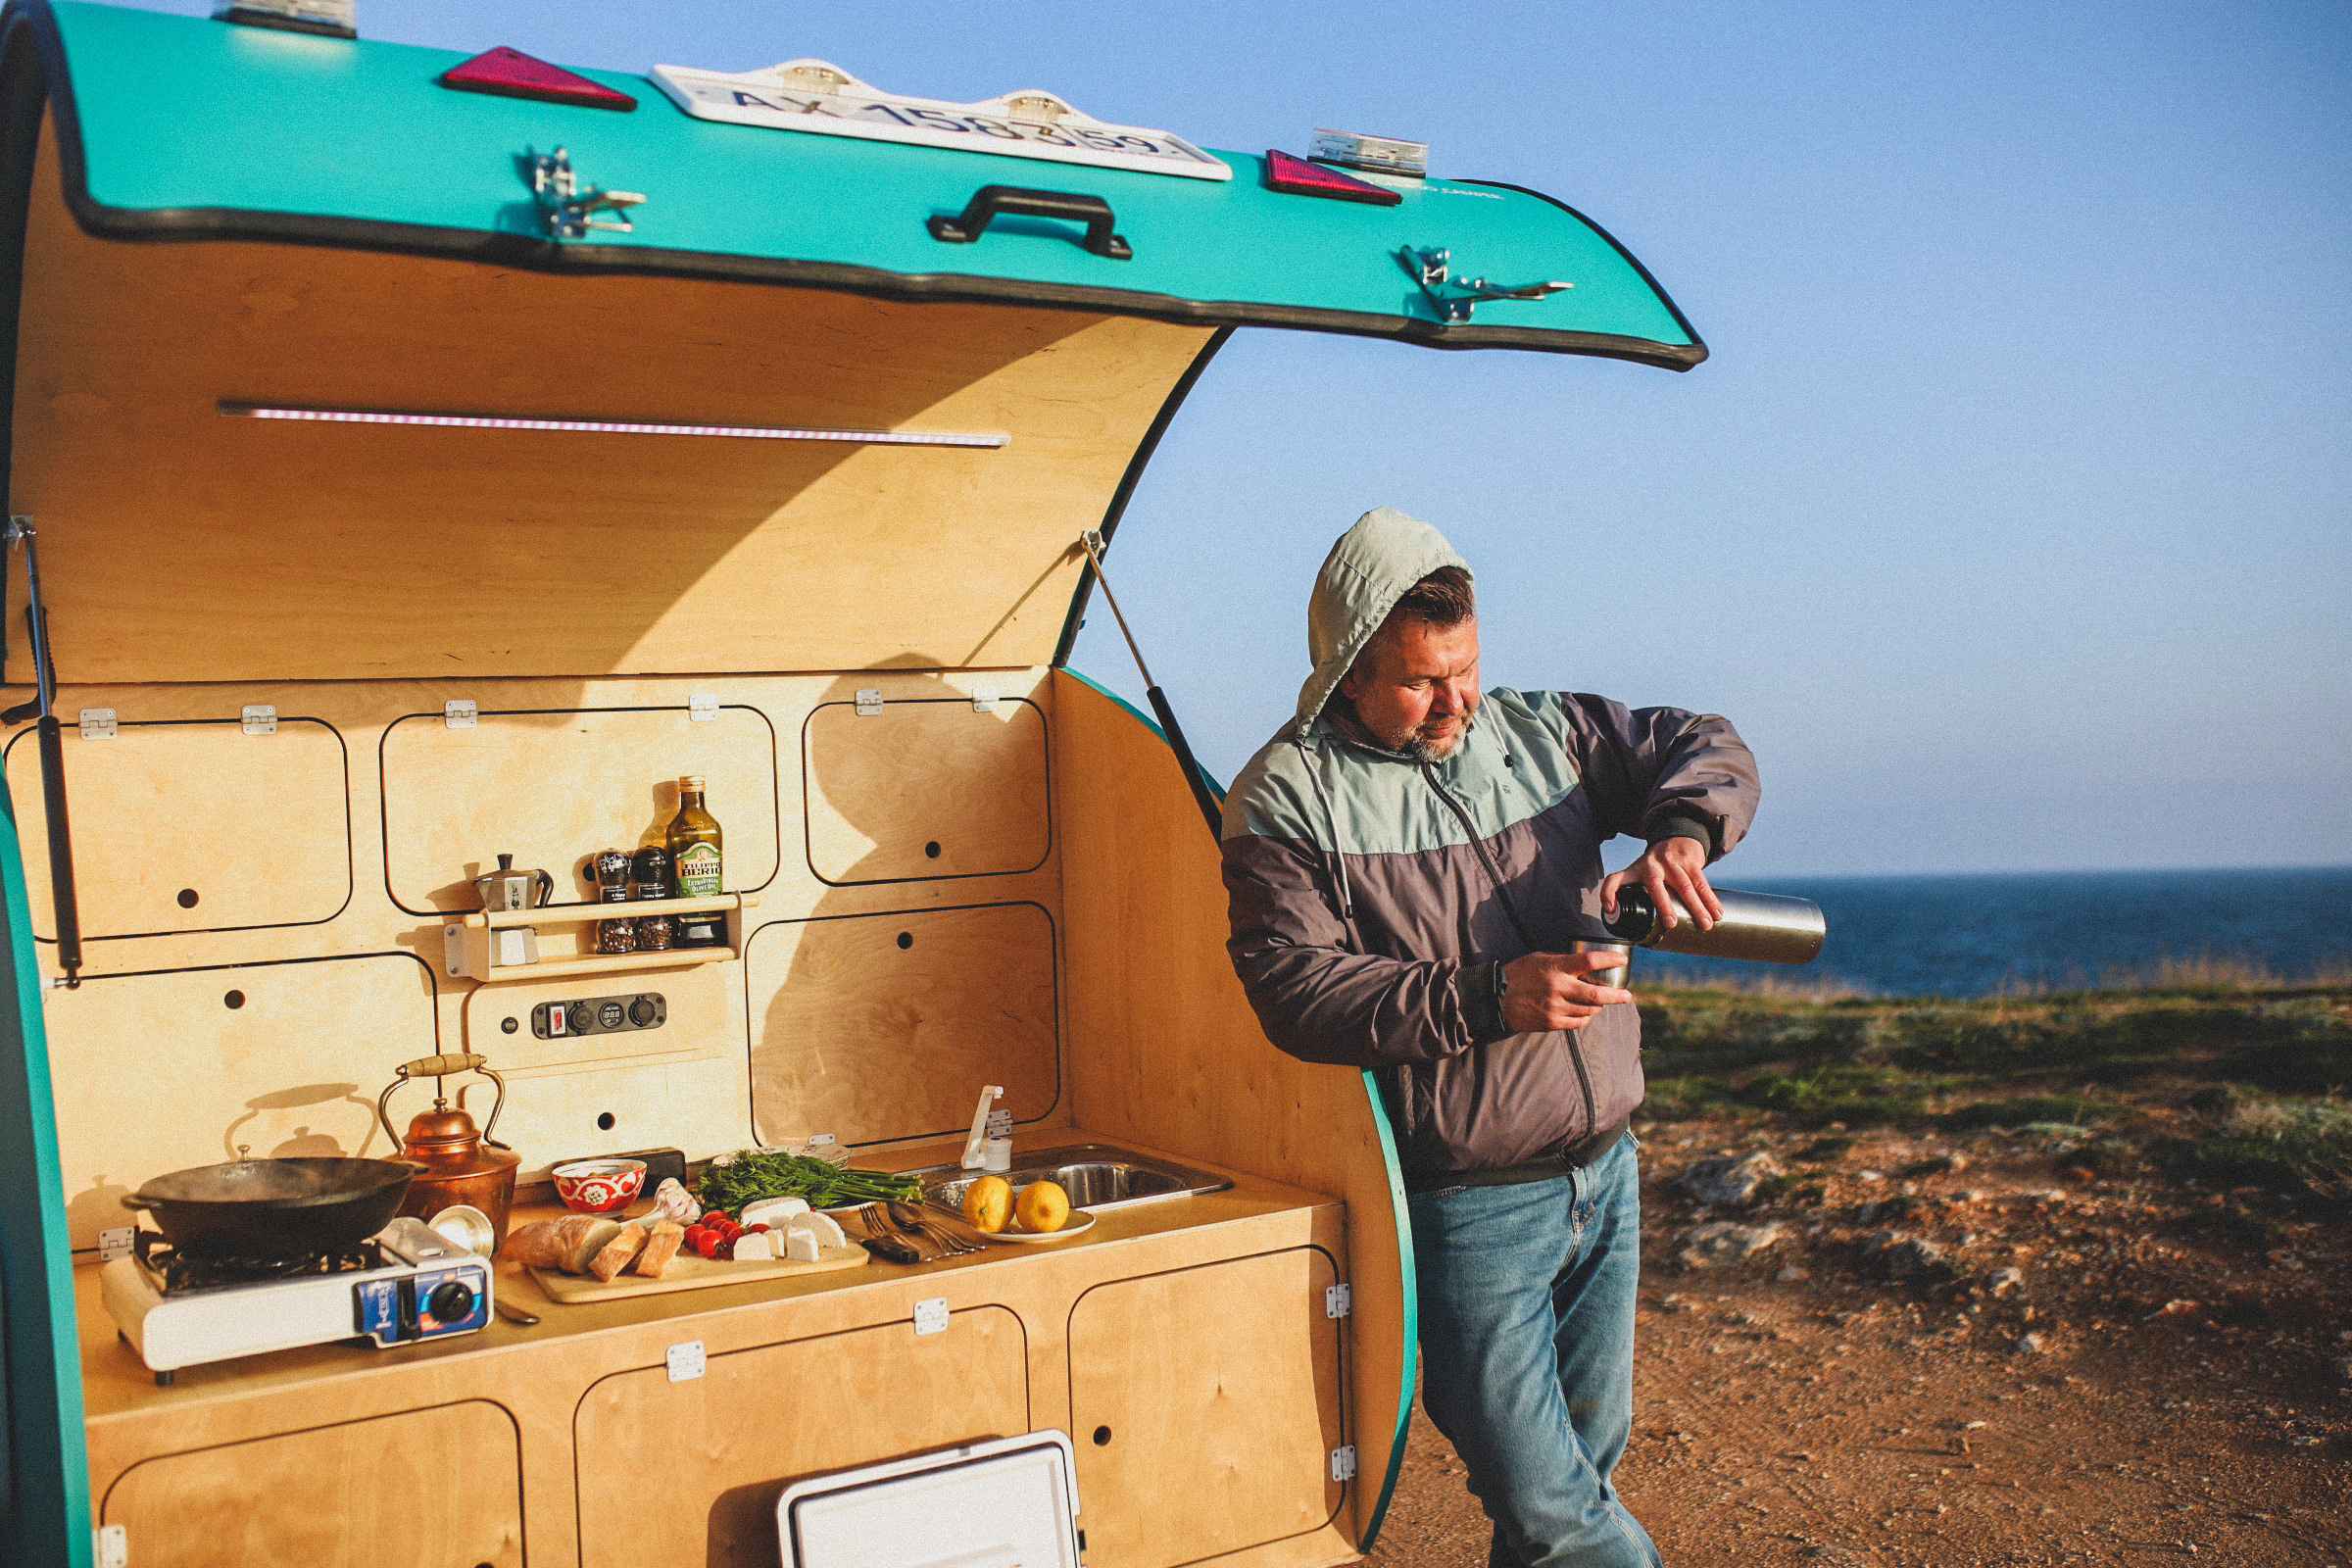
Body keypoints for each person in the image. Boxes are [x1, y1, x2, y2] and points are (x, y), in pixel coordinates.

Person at [1219, 507, 1758, 1567]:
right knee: (1560, 1514)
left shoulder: (1536, 729)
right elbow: (1295, 990)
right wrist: (1483, 999)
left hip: (1608, 1176)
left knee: (1573, 1484)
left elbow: (1704, 742)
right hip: (1466, 1209)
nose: (1455, 700)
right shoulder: (1284, 799)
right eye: (1421, 680)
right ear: (1346, 673)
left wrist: (1680, 833)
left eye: (1465, 667)